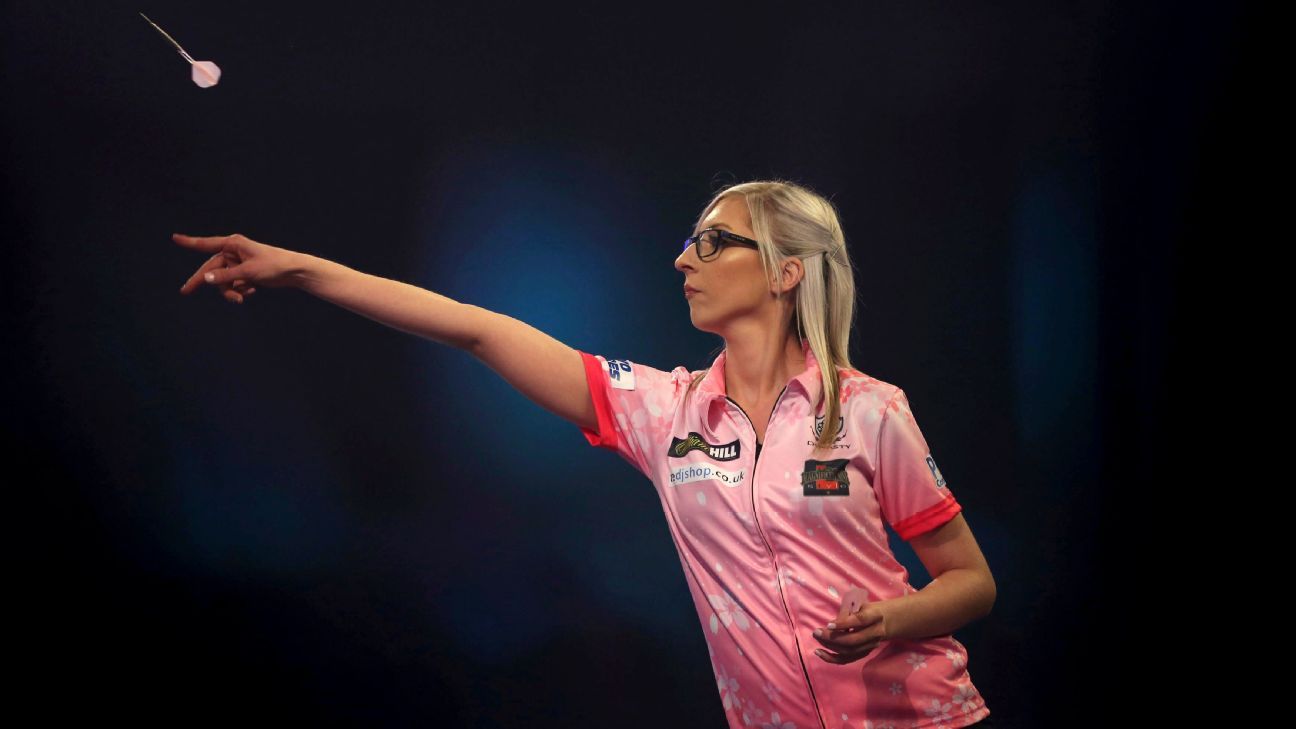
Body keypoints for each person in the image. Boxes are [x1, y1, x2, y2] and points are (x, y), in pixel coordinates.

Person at [175, 179, 996, 729]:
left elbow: (971, 579)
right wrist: (303, 271)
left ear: (786, 272)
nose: (683, 258)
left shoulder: (869, 410)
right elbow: (478, 329)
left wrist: (891, 617)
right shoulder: (663, 411)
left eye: (713, 242)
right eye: (689, 241)